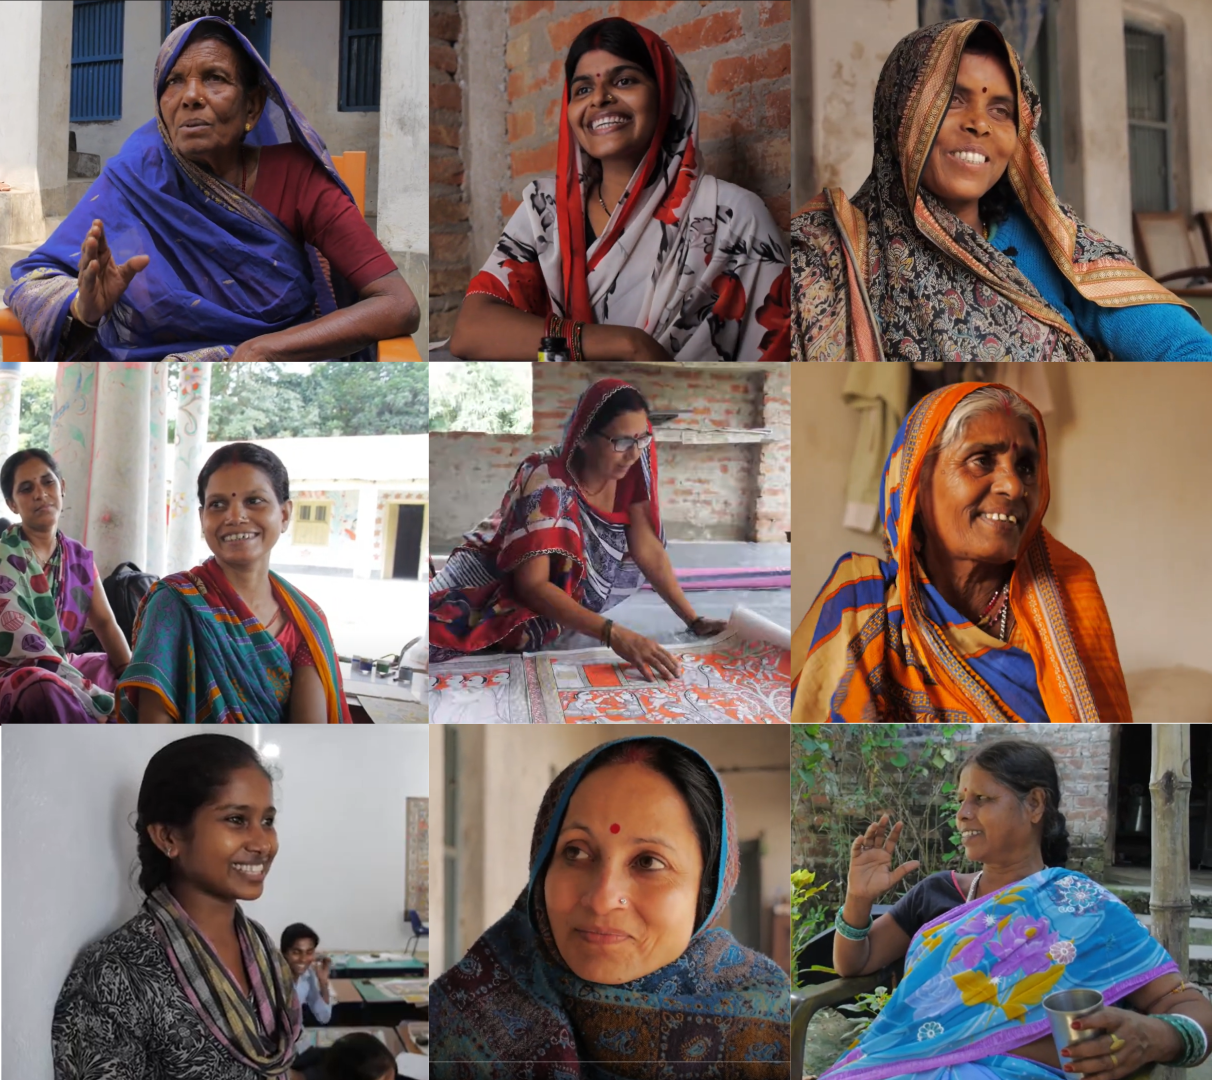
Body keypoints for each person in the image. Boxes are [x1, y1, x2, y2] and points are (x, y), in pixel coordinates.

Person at [790, 19, 1212, 362]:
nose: (980, 124)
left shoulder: (1057, 242)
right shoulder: (825, 254)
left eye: (1000, 110)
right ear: (899, 114)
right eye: (952, 100)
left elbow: (1189, 352)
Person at [4, 16, 418, 363]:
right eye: (174, 81)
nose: (191, 97)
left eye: (215, 79)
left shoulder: (296, 177)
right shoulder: (133, 177)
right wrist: (85, 309)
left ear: (252, 107)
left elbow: (397, 304)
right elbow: (37, 278)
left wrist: (262, 349)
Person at [818, 739, 1212, 1079]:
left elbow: (1185, 1004)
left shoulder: (1085, 907)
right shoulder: (937, 892)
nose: (963, 814)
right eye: (961, 800)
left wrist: (1155, 1036)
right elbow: (855, 962)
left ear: (1036, 804)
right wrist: (857, 899)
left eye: (982, 799)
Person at [431, 735, 790, 1077]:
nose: (602, 899)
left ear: (708, 888)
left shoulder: (771, 1031)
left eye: (648, 862)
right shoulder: (462, 1013)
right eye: (576, 851)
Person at [449, 16, 790, 363]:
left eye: (625, 80)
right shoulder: (546, 212)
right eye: (582, 89)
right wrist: (628, 345)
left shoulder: (733, 218)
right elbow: (471, 330)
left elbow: (775, 366)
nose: (600, 98)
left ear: (668, 97)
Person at [791, 383, 1131, 723]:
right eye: (981, 460)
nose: (1014, 485)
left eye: (1027, 467)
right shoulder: (862, 602)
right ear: (916, 485)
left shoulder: (1069, 593)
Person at [429, 379, 726, 681]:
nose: (634, 452)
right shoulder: (548, 482)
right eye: (622, 442)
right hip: (493, 575)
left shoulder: (633, 459)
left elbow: (646, 544)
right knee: (466, 632)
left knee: (555, 619)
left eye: (643, 439)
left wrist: (694, 619)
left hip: (551, 584)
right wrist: (612, 633)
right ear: (583, 438)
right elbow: (531, 586)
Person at [52, 734, 302, 1078]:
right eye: (236, 819)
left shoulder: (261, 947)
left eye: (268, 821)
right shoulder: (115, 975)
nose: (263, 843)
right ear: (169, 837)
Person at [118, 442, 352, 722]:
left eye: (254, 501)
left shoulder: (304, 622)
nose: (234, 516)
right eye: (218, 504)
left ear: (285, 515)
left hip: (276, 765)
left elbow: (308, 739)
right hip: (187, 764)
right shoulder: (174, 603)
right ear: (203, 517)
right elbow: (153, 730)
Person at [0, 448, 130, 722]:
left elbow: (106, 624)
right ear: (12, 504)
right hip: (13, 672)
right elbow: (25, 647)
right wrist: (95, 695)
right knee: (42, 686)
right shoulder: (4, 558)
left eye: (48, 482)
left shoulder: (78, 559)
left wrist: (134, 680)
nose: (40, 493)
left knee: (126, 673)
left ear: (62, 488)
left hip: (61, 664)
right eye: (26, 488)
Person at [281, 922, 333, 1025]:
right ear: (285, 953)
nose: (303, 959)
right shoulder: (273, 980)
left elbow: (324, 1016)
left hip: (297, 1036)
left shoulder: (307, 976)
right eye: (296, 952)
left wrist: (323, 983)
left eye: (309, 952)